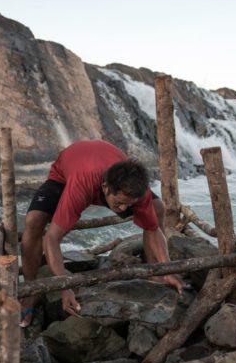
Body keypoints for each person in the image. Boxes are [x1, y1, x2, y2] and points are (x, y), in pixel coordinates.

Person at [19, 139, 185, 327]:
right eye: (119, 203)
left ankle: (156, 272)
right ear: (105, 188)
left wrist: (169, 269)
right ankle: (30, 291)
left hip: (105, 162)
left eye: (129, 204)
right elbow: (51, 238)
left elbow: (152, 228)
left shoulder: (138, 191)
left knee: (157, 208)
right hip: (68, 173)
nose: (123, 209)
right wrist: (64, 287)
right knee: (34, 221)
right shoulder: (82, 184)